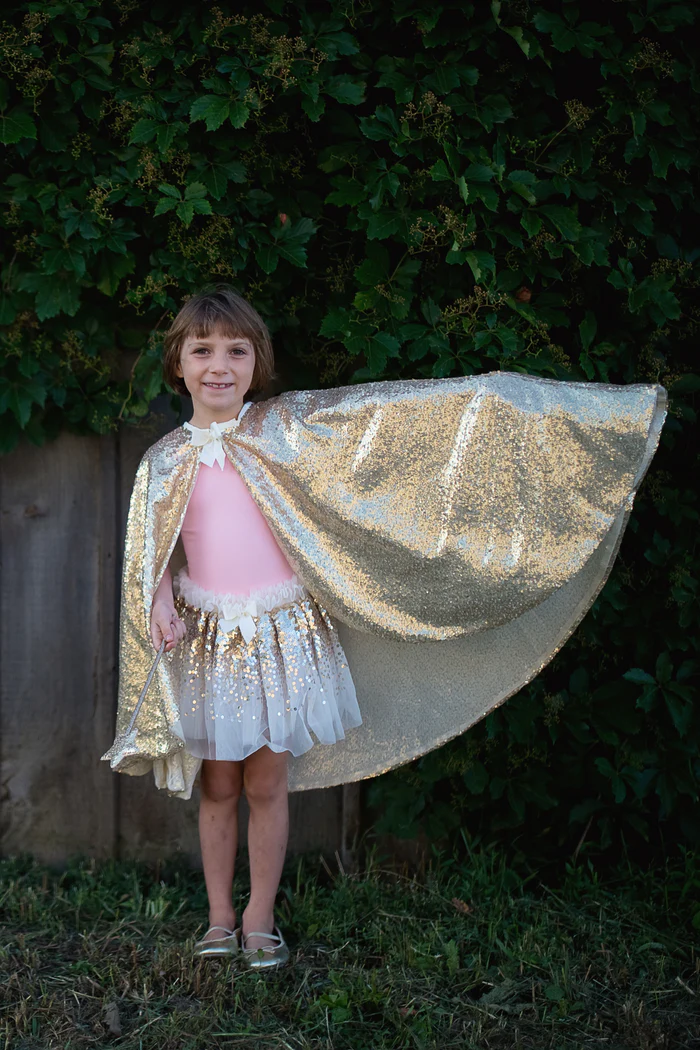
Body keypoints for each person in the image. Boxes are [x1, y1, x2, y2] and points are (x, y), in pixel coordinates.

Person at [103, 283, 667, 971]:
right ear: (178, 362)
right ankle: (220, 916)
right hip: (211, 645)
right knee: (219, 784)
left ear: (258, 362)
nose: (218, 366)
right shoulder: (163, 461)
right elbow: (151, 548)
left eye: (236, 351)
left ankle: (259, 918)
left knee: (266, 784)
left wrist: (492, 401)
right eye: (202, 351)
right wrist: (159, 597)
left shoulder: (287, 433)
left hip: (281, 641)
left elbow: (384, 424)